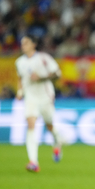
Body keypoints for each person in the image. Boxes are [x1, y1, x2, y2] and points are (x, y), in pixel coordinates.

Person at [15, 35, 63, 172]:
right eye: (22, 43)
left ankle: (57, 141)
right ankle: (33, 162)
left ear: (33, 44)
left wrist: (41, 78)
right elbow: (20, 78)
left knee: (49, 125)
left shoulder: (44, 58)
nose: (23, 45)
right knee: (31, 125)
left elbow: (57, 73)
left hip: (45, 96)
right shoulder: (19, 62)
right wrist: (19, 91)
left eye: (26, 43)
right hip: (30, 97)